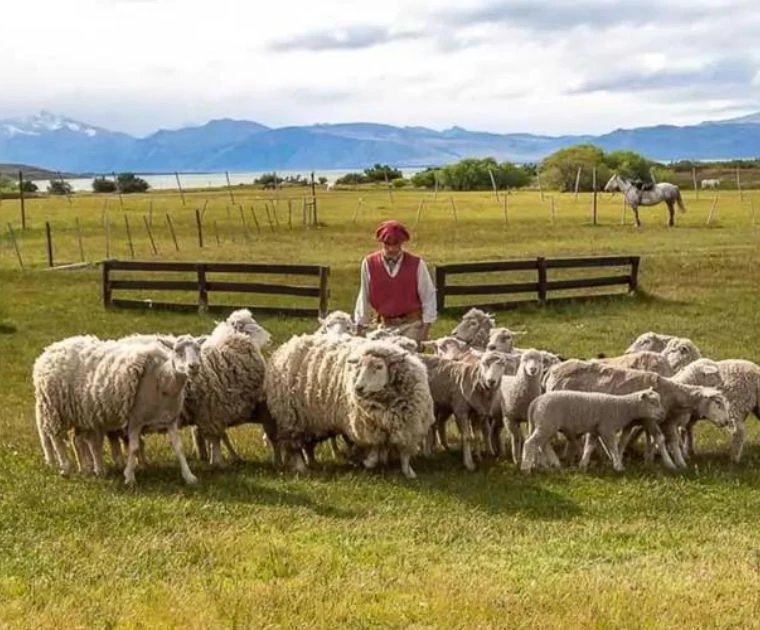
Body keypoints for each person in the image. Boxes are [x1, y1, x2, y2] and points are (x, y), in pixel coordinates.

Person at [354, 219, 437, 343]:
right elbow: (364, 295)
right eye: (387, 244)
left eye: (395, 244)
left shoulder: (417, 264)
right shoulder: (369, 264)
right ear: (382, 243)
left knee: (406, 358)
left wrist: (424, 331)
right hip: (384, 326)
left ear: (402, 243)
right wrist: (360, 327)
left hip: (411, 325)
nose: (391, 249)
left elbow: (428, 297)